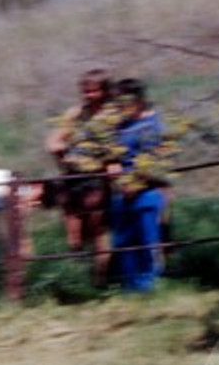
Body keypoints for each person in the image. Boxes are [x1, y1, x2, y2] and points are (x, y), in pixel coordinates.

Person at [44, 68, 114, 285]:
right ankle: (78, 277)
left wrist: (104, 161)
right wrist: (63, 154)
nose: (88, 95)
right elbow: (52, 141)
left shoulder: (111, 116)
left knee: (97, 227)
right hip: (74, 177)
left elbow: (117, 147)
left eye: (93, 91)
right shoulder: (75, 113)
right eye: (85, 91)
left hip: (98, 176)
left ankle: (101, 279)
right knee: (74, 233)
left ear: (104, 91)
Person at [108, 79, 171, 293]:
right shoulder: (119, 127)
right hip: (121, 193)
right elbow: (111, 153)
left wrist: (138, 182)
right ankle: (130, 289)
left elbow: (159, 160)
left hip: (146, 192)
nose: (120, 106)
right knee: (124, 243)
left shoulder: (154, 125)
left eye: (124, 101)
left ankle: (149, 288)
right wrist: (112, 164)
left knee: (148, 241)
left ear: (138, 99)